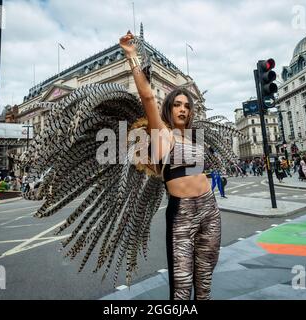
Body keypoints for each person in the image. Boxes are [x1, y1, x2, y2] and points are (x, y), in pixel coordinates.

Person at [119, 31, 221, 300]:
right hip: (182, 214)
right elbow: (147, 96)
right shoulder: (161, 133)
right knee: (182, 287)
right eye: (177, 104)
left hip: (210, 208)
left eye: (187, 106)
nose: (183, 109)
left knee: (205, 281)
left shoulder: (194, 137)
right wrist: (131, 56)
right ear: (169, 108)